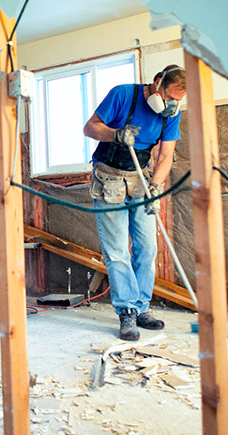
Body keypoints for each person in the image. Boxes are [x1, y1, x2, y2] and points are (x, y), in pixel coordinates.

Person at [83, 65, 186, 341]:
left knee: (147, 248)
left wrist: (155, 187)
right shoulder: (123, 95)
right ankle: (126, 311)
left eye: (177, 100)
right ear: (157, 84)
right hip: (109, 178)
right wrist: (114, 134)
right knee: (117, 250)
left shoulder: (170, 115)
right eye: (169, 97)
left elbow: (165, 157)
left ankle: (141, 308)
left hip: (141, 180)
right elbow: (89, 127)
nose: (171, 104)